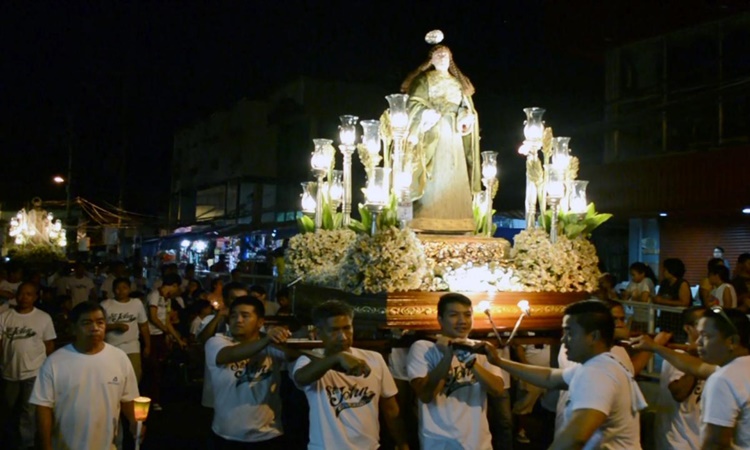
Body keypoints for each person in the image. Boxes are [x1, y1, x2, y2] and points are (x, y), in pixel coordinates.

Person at [485, 300, 647, 449]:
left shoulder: (597, 373)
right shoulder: (602, 364)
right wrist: (499, 362)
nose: (563, 340)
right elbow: (549, 377)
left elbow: (576, 437)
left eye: (570, 333)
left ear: (594, 336)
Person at [292, 300, 408, 450]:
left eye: (347, 328)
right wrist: (337, 357)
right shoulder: (309, 360)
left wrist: (403, 444)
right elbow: (301, 378)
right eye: (334, 330)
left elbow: (391, 409)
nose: (343, 337)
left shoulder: (374, 359)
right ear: (319, 332)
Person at [633, 307, 750, 448]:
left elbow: (716, 443)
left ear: (732, 341)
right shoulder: (740, 368)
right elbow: (697, 367)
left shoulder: (723, 379)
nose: (699, 342)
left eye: (706, 336)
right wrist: (656, 348)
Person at [29, 301, 140, 450]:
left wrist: (135, 422)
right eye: (87, 323)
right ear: (73, 328)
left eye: (100, 322)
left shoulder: (119, 358)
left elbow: (128, 399)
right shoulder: (54, 362)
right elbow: (43, 408)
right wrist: (46, 446)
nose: (95, 328)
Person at [406, 293, 505, 449]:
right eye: (453, 315)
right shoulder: (424, 348)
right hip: (439, 442)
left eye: (467, 315)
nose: (462, 321)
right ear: (440, 319)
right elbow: (426, 395)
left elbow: (498, 389)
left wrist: (469, 361)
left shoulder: (481, 348)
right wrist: (447, 356)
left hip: (478, 442)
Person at [401, 43, 481, 233]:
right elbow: (414, 103)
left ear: (451, 59)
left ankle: (457, 220)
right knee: (433, 175)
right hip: (432, 131)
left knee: (454, 174)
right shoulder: (424, 80)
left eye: (445, 54)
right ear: (431, 59)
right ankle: (424, 219)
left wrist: (465, 118)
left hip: (453, 134)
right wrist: (426, 114)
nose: (442, 57)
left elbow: (466, 107)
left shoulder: (459, 83)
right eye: (438, 55)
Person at [206, 296, 292, 449]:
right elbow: (228, 355)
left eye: (245, 316)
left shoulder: (270, 345)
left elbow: (293, 356)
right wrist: (267, 340)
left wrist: (284, 338)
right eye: (233, 316)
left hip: (268, 433)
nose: (238, 320)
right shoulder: (217, 342)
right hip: (227, 434)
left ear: (260, 322)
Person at [0, 282, 56, 449]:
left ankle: (27, 444)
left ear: (35, 297)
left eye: (29, 294)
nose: (24, 297)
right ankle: (10, 441)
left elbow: (49, 345)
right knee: (8, 410)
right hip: (9, 372)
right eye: (21, 293)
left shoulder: (43, 318)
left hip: (33, 372)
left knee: (28, 412)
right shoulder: (5, 316)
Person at [654, 306, 705, 450]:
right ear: (688, 329)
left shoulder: (712, 356)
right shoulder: (676, 356)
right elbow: (679, 392)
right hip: (680, 442)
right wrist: (697, 360)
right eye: (702, 324)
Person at [144, 273, 186, 411]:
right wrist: (167, 331)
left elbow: (167, 321)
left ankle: (156, 397)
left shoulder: (166, 299)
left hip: (160, 335)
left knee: (159, 368)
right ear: (173, 285)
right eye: (177, 287)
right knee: (153, 368)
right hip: (150, 336)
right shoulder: (154, 295)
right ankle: (151, 399)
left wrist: (177, 338)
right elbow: (153, 317)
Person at [101, 277, 151, 383]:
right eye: (118, 288)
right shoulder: (105, 305)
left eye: (124, 288)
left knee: (134, 376)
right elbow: (99, 326)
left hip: (132, 346)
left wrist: (147, 345)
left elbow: (144, 326)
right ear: (113, 290)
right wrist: (115, 326)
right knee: (113, 378)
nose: (121, 291)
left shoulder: (136, 303)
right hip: (112, 347)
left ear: (129, 289)